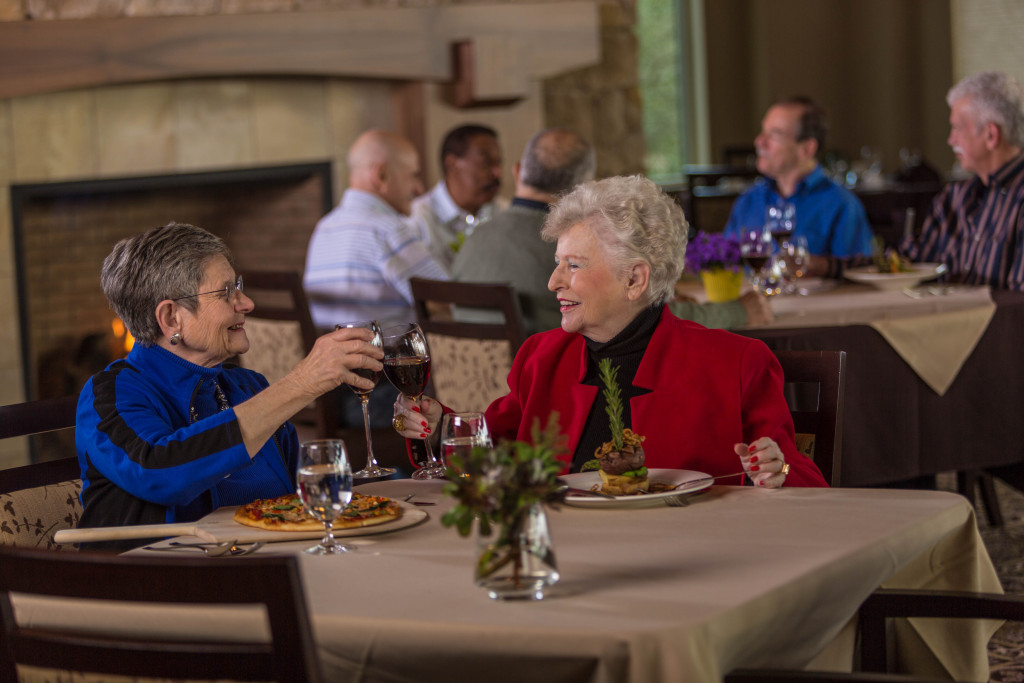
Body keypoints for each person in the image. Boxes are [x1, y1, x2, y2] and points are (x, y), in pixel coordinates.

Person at [396, 175, 826, 487]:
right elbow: (493, 447)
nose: (554, 282)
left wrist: (777, 470)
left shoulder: (735, 364)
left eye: (575, 266)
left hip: (692, 566)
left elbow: (800, 476)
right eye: (557, 262)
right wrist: (438, 424)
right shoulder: (541, 357)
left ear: (635, 280)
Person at [76, 222, 383, 549]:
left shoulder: (247, 387)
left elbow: (316, 498)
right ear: (170, 319)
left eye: (238, 286)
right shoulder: (112, 393)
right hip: (160, 586)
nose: (247, 303)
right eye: (226, 292)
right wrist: (300, 383)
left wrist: (414, 439)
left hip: (267, 569)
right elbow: (159, 471)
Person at [452, 128, 772, 333]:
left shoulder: (472, 241)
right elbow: (652, 325)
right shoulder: (582, 249)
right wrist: (738, 311)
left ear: (519, 172)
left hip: (477, 413)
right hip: (560, 406)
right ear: (582, 187)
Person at [303, 129, 444, 428]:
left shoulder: (323, 228)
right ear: (382, 175)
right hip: (379, 395)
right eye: (412, 175)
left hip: (331, 394)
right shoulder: (385, 229)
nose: (418, 187)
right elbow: (446, 301)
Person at [724, 96, 874, 278]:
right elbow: (725, 268)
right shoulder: (748, 202)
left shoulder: (842, 205)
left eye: (774, 135)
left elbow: (860, 275)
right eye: (763, 132)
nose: (759, 142)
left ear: (806, 149)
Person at [901, 71, 1024, 291]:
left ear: (990, 135)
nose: (950, 139)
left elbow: (1018, 302)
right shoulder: (954, 198)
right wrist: (828, 266)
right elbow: (907, 267)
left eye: (957, 128)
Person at [408, 124, 504, 271]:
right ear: (451, 164)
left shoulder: (504, 211)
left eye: (499, 163)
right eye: (486, 163)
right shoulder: (417, 220)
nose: (497, 173)